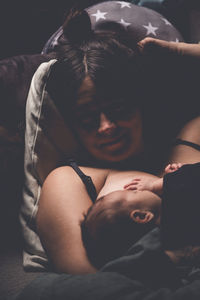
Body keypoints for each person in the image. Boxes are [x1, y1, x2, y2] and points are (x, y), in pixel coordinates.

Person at [36, 15, 200, 274]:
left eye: (118, 109)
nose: (106, 127)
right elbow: (87, 284)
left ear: (140, 103)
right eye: (88, 120)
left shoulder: (192, 134)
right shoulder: (70, 181)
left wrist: (180, 51)